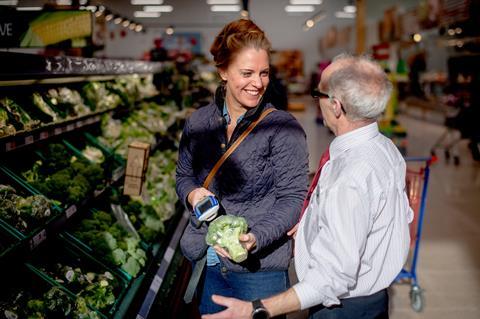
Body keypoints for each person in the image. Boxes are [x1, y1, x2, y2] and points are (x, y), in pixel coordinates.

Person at [202, 53, 413, 319]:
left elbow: (330, 279)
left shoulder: (348, 177)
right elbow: (385, 216)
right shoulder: (384, 149)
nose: (316, 101)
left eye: (318, 93)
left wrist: (256, 308)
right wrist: (312, 224)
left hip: (341, 310)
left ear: (336, 106)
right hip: (374, 303)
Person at [176, 19, 309, 315]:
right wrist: (192, 194)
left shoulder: (283, 128)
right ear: (223, 71)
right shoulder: (198, 123)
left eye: (264, 73)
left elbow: (292, 199)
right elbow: (183, 175)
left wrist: (255, 238)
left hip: (259, 273)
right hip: (208, 263)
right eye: (247, 73)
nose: (258, 83)